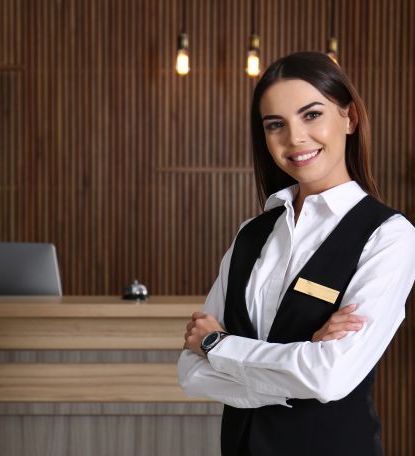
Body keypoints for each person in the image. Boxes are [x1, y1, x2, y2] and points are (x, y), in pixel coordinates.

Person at [177, 51, 415, 456]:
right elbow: (191, 373)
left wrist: (218, 346)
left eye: (311, 115)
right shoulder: (249, 235)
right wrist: (302, 357)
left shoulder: (389, 236)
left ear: (349, 118)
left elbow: (330, 377)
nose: (295, 138)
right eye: (276, 125)